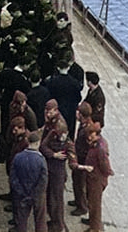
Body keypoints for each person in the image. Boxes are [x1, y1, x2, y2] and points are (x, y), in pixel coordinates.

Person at [39, 99, 79, 232]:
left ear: (55, 110)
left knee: (56, 197)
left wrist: (54, 155)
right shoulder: (53, 123)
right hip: (52, 166)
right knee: (52, 195)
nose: (47, 113)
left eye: (49, 111)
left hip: (56, 167)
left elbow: (44, 146)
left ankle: (59, 225)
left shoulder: (58, 127)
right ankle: (56, 221)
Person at [10, 130, 48, 232]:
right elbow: (43, 179)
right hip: (37, 195)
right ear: (37, 143)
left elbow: (13, 177)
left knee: (22, 219)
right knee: (40, 219)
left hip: (22, 194)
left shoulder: (18, 157)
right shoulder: (41, 160)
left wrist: (20, 191)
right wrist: (36, 193)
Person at [82, 125, 114, 232]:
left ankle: (95, 228)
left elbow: (104, 165)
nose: (89, 137)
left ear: (96, 134)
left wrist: (106, 174)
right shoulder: (98, 144)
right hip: (93, 178)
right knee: (91, 201)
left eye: (91, 134)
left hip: (96, 179)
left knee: (95, 205)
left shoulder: (100, 149)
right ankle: (92, 221)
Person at [70, 102, 94, 217]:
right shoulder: (84, 125)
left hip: (83, 159)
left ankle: (82, 206)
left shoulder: (88, 129)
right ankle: (77, 200)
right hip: (79, 155)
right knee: (76, 181)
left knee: (80, 183)